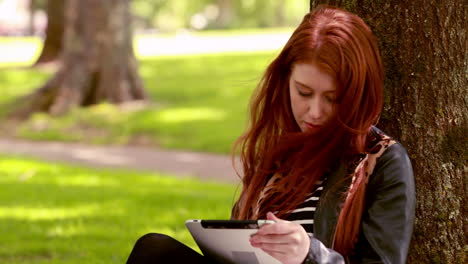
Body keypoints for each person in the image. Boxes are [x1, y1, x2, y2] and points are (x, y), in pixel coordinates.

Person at [126, 5, 415, 264]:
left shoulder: (383, 161)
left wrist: (310, 254)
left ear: (356, 95)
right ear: (285, 80)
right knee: (155, 250)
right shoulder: (278, 152)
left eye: (332, 98)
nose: (315, 111)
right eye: (304, 93)